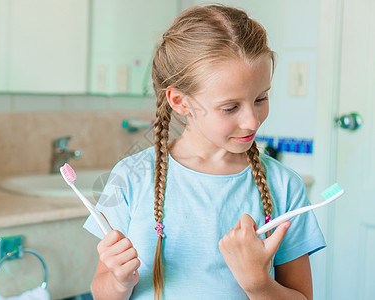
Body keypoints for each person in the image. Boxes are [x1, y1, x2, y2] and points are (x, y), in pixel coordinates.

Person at [83, 4, 325, 300]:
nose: (252, 120)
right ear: (180, 101)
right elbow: (100, 290)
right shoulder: (127, 178)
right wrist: (119, 282)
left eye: (261, 98)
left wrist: (258, 284)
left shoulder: (285, 187)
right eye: (230, 107)